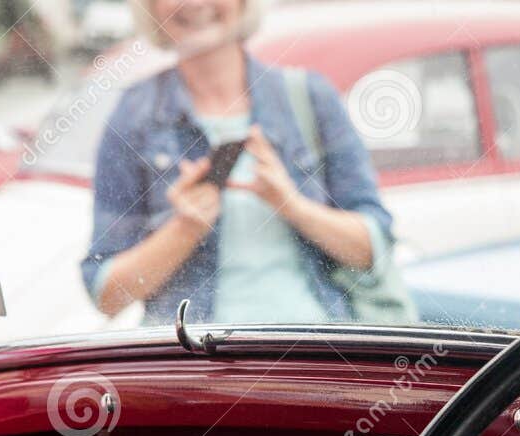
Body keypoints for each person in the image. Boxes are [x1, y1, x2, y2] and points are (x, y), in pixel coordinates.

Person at [81, 0, 400, 325]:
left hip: (314, 356)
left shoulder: (310, 97)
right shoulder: (133, 117)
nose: (195, 3)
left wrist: (292, 205)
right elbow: (106, 295)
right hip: (194, 364)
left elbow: (373, 249)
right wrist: (184, 229)